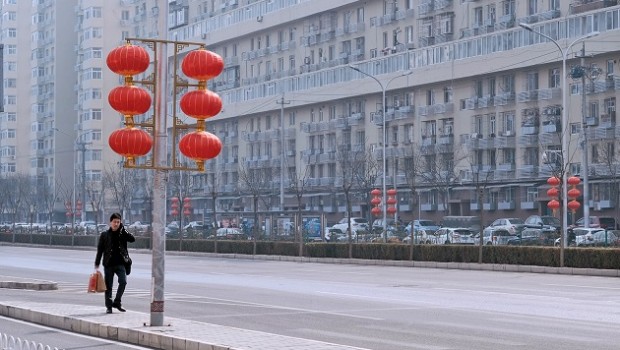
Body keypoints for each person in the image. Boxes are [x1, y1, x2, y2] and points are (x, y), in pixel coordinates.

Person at [94, 212, 135, 314]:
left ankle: (117, 302)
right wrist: (97, 262)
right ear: (110, 222)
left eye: (118, 222)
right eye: (114, 222)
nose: (116, 224)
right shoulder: (104, 235)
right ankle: (109, 307)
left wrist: (123, 230)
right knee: (108, 286)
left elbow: (133, 239)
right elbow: (100, 250)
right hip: (108, 264)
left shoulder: (122, 234)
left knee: (123, 281)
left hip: (120, 264)